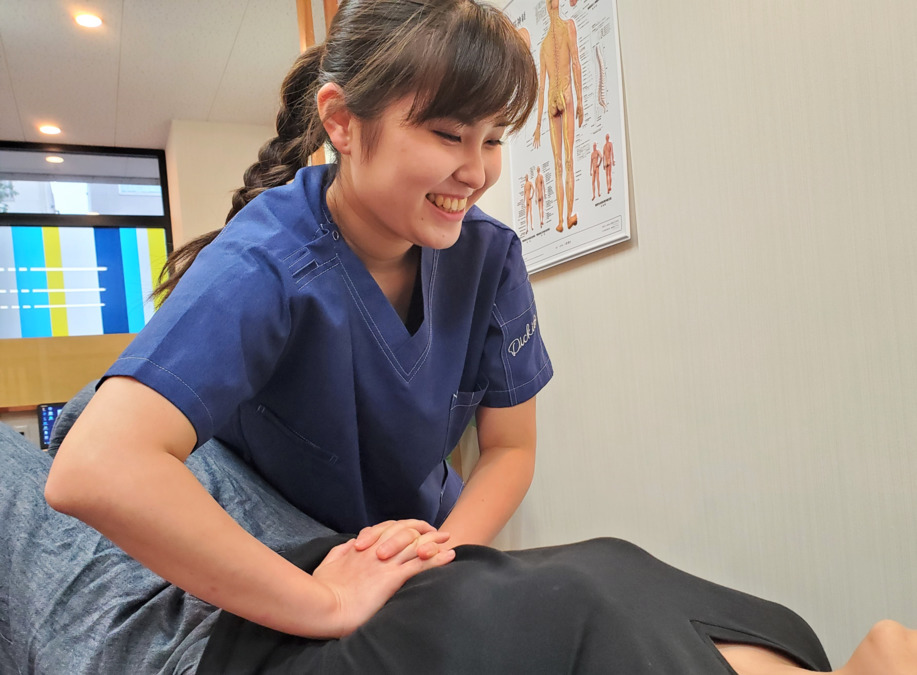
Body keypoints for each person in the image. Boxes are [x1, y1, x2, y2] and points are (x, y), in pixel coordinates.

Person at [1, 1, 914, 673]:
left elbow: (509, 449)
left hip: (402, 542)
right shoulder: (268, 262)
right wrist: (323, 596)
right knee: (578, 604)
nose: (474, 171)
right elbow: (95, 468)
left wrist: (442, 550)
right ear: (340, 122)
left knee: (601, 570)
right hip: (273, 547)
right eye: (447, 133)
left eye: (494, 138)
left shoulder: (486, 256)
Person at [533, 0, 583, 232]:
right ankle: (569, 214)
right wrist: (580, 100)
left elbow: (542, 89)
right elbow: (575, 64)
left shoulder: (543, 45)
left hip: (553, 96)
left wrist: (537, 125)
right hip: (565, 93)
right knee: (568, 161)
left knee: (558, 164)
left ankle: (561, 221)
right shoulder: (568, 27)